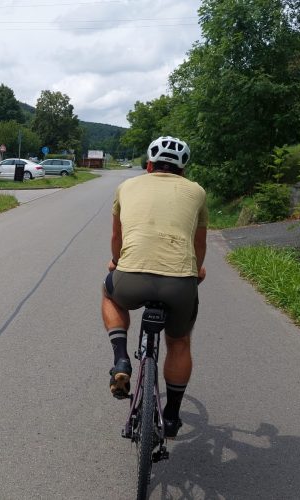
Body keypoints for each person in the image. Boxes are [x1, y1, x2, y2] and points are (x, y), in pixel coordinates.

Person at [102, 136, 208, 438]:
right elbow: (198, 244)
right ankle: (172, 417)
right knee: (179, 343)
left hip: (131, 277)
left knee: (109, 293)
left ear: (148, 164)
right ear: (183, 170)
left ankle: (121, 357)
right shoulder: (197, 192)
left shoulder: (126, 187)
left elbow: (116, 238)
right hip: (180, 283)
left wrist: (115, 261)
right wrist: (195, 271)